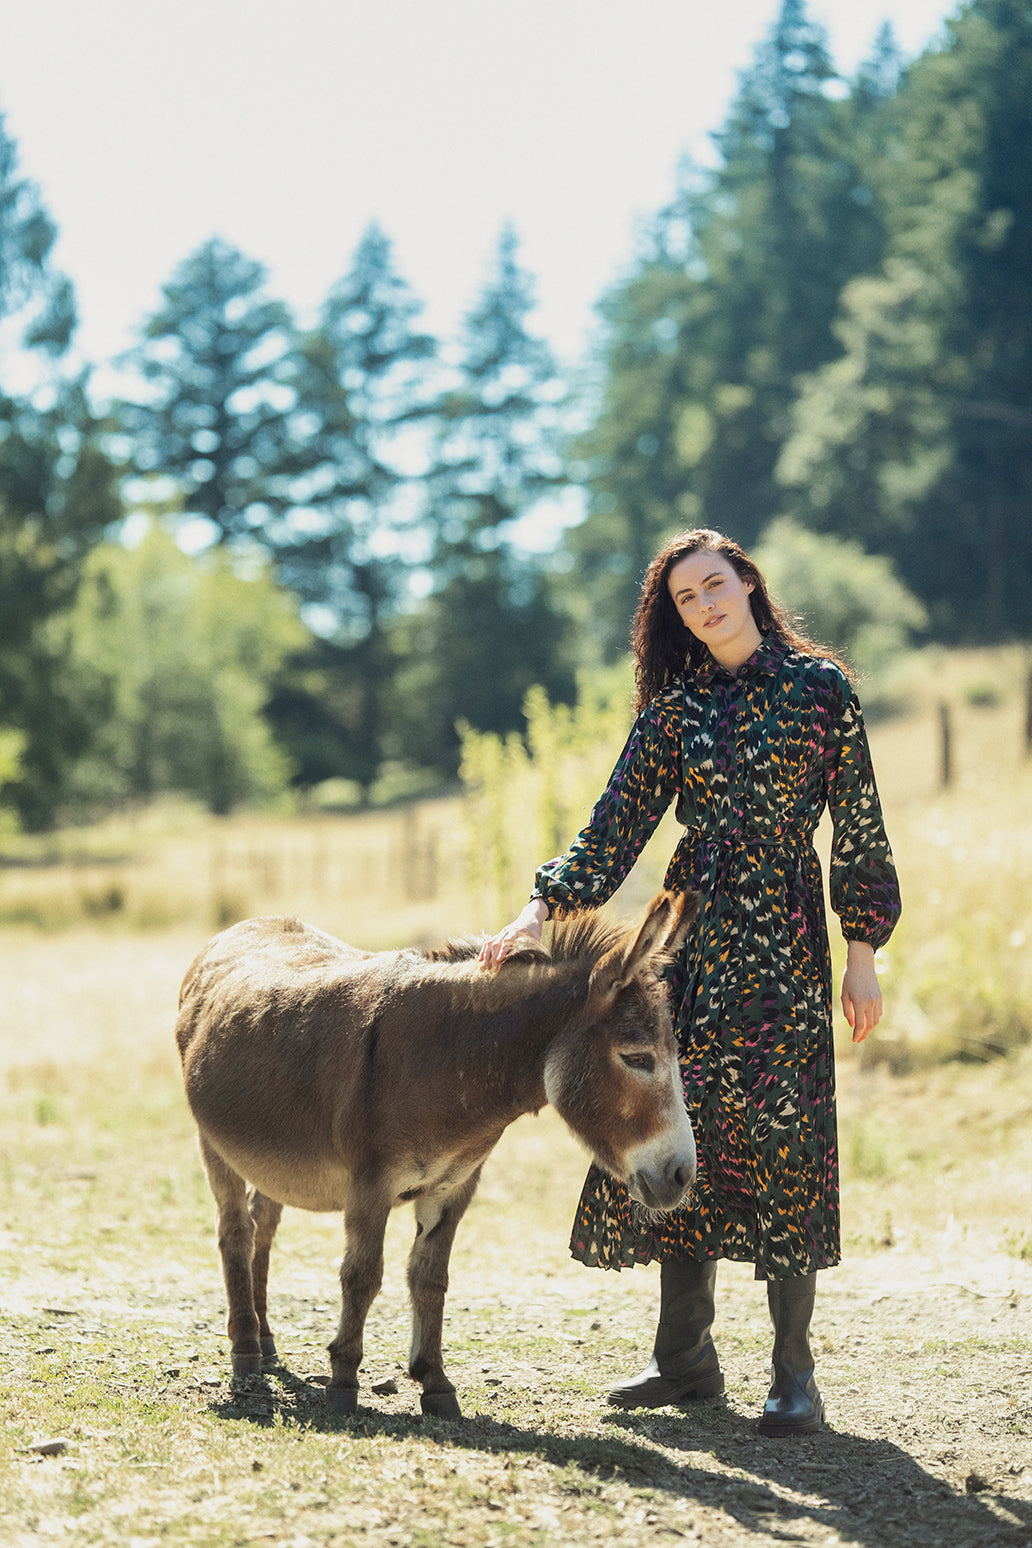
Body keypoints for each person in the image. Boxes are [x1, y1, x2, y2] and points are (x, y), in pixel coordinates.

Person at [478, 527, 901, 1436]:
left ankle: (795, 1376)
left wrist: (860, 948)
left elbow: (860, 824)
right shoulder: (676, 709)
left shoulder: (823, 692)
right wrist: (538, 911)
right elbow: (614, 823)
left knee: (787, 1139)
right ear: (677, 616)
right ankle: (685, 1363)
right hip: (686, 949)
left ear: (748, 584)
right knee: (679, 1125)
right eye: (685, 598)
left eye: (715, 585)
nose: (705, 605)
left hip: (786, 947)